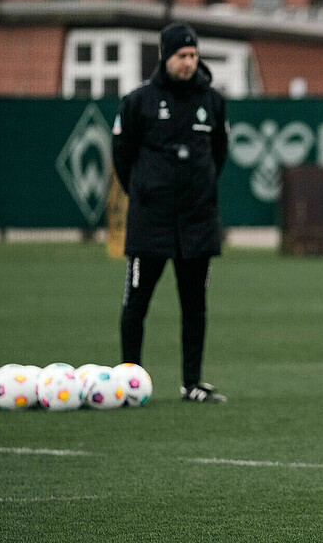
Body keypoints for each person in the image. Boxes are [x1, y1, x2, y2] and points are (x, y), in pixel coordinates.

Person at [111, 22, 229, 404]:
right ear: (166, 56)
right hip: (151, 223)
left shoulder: (212, 101)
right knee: (136, 304)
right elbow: (122, 157)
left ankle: (191, 383)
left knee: (195, 306)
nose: (189, 62)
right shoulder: (138, 101)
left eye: (194, 55)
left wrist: (200, 191)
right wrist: (147, 193)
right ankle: (129, 383)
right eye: (182, 56)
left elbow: (219, 155)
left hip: (197, 223)